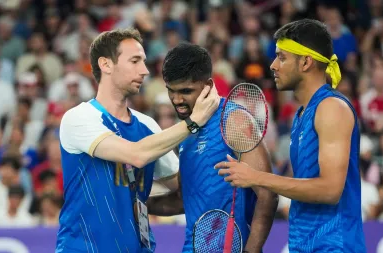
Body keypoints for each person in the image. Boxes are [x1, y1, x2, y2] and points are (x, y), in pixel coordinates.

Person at [55, 29, 220, 253]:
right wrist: (193, 122)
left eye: (143, 61)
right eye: (134, 61)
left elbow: (185, 192)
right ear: (106, 64)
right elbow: (136, 154)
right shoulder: (79, 118)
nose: (144, 70)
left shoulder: (148, 126)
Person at [215, 19, 366, 252]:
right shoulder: (302, 114)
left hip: (334, 246)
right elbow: (302, 185)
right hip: (303, 244)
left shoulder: (331, 108)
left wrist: (256, 177)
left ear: (306, 62)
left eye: (282, 57)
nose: (273, 65)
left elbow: (330, 190)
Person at [146, 43, 278, 253]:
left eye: (186, 91)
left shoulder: (234, 119)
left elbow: (267, 194)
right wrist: (139, 204)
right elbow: (183, 200)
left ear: (208, 84)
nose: (177, 100)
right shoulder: (187, 132)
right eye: (171, 91)